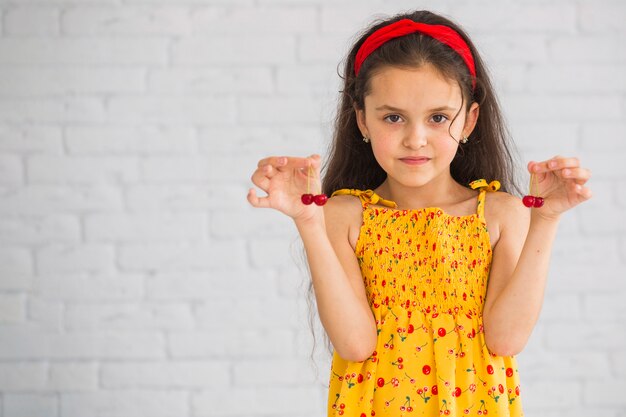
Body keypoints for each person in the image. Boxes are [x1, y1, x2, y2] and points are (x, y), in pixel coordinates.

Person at [247, 9, 592, 417]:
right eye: (393, 117)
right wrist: (308, 222)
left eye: (438, 118)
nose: (415, 139)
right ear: (362, 119)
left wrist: (546, 220)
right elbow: (356, 344)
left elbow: (505, 340)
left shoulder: (501, 215)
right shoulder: (341, 216)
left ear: (469, 121)